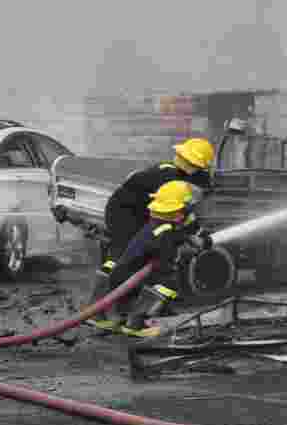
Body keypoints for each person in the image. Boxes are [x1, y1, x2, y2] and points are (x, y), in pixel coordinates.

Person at [88, 138, 214, 330]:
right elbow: (180, 212)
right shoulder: (172, 180)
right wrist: (196, 233)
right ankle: (101, 310)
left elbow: (178, 214)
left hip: (137, 209)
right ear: (196, 165)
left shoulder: (172, 172)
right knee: (125, 258)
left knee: (142, 258)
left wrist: (192, 232)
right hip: (126, 214)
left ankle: (138, 309)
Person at [105, 180, 212, 338]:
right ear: (177, 212)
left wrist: (200, 239)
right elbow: (166, 263)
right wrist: (186, 244)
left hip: (132, 279)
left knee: (164, 280)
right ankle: (136, 322)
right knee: (169, 283)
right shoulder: (162, 232)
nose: (191, 212)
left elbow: (191, 230)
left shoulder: (165, 222)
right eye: (188, 208)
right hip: (128, 283)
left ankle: (137, 315)